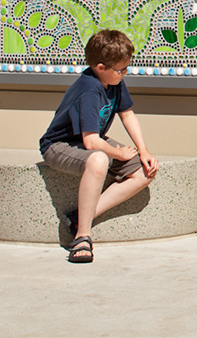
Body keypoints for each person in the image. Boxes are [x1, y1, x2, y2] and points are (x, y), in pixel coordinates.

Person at [39, 29, 159, 263]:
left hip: (90, 142)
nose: (125, 73)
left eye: (127, 68)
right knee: (99, 159)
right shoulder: (89, 89)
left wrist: (142, 151)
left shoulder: (113, 81)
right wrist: (119, 153)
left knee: (144, 171)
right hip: (59, 146)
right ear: (101, 67)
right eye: (120, 69)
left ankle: (79, 217)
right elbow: (91, 141)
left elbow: (127, 114)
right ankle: (82, 236)